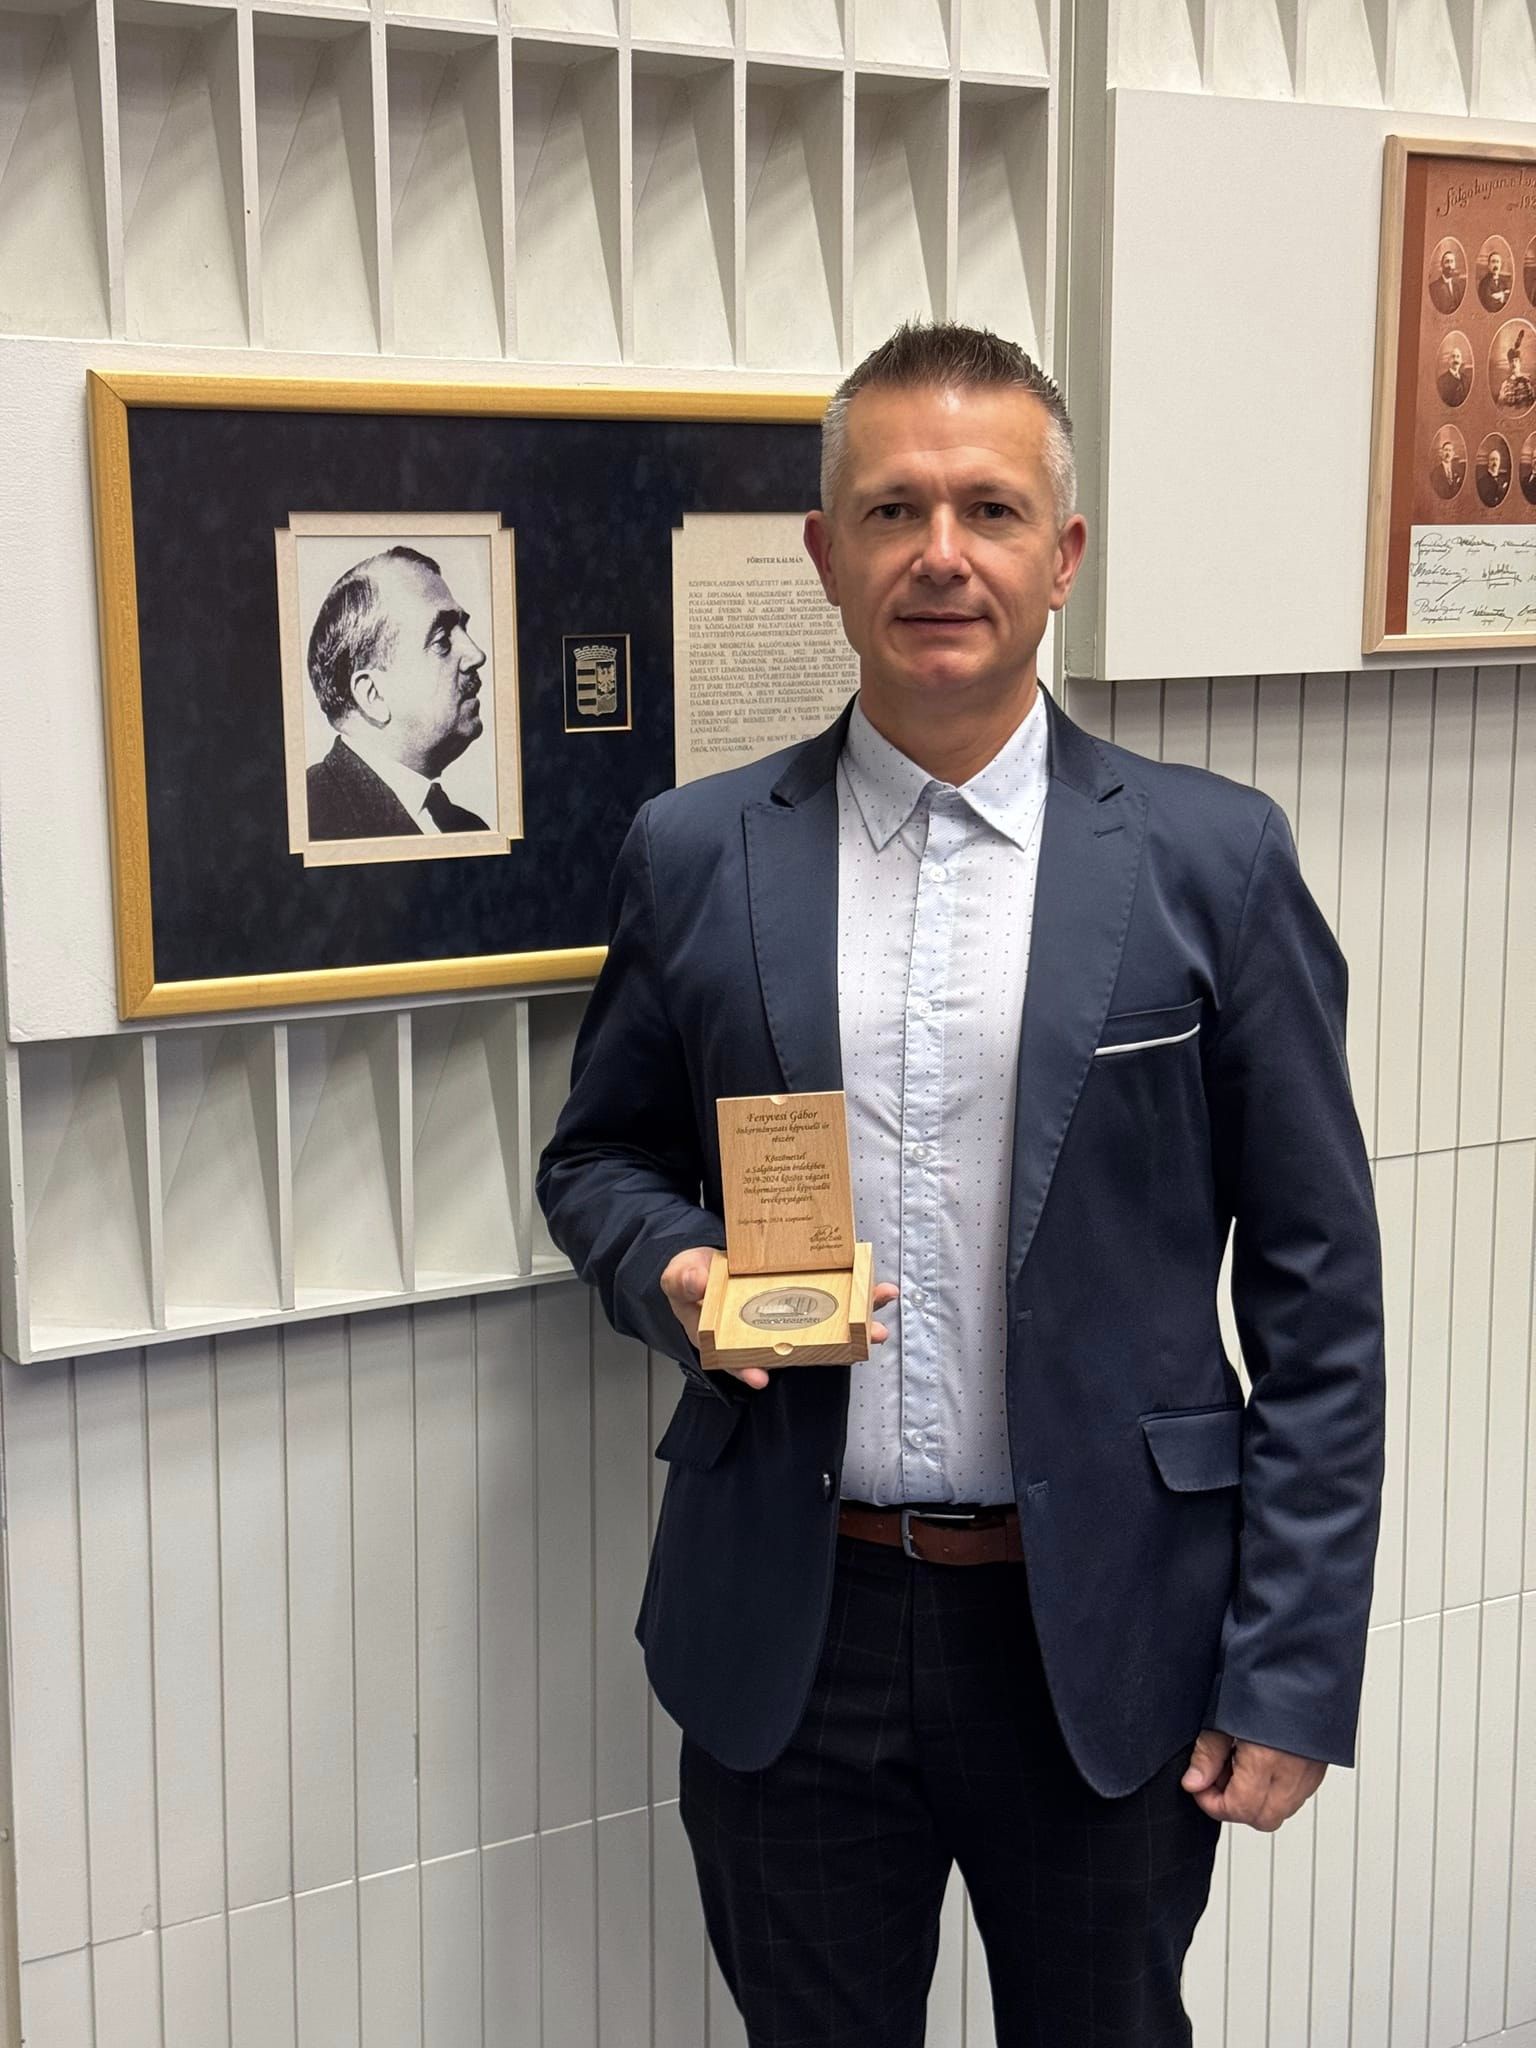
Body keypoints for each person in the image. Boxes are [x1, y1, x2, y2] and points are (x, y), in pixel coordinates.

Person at [538, 323, 1386, 2048]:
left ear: (1061, 555)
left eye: (989, 509)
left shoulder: (1212, 859)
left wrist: (1292, 1663)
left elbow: (1320, 1295)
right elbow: (599, 1158)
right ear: (825, 552)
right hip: (796, 1621)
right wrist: (679, 1272)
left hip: (1106, 1632)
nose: (941, 553)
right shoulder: (695, 853)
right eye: (894, 509)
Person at [304, 545, 489, 839]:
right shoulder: (311, 821)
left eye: (463, 629)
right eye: (442, 640)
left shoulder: (469, 827)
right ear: (373, 695)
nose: (477, 655)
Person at [1496, 330, 1534, 411]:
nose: (1514, 364)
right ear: (1509, 364)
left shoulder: (1528, 382)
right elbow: (1499, 407)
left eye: (1516, 361)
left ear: (1520, 363)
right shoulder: (1505, 384)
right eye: (1511, 361)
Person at [1429, 245, 1465, 312]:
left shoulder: (1457, 287)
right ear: (1441, 265)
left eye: (1452, 261)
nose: (1450, 266)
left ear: (1455, 264)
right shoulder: (1433, 287)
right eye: (1447, 262)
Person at [1431, 434, 1466, 498]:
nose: (1448, 453)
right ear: (1441, 453)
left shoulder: (1458, 471)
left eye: (1450, 450)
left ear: (1453, 454)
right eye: (1446, 450)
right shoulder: (1436, 472)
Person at [1478, 439, 1511, 505]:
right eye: (1492, 459)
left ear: (1499, 462)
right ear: (1488, 462)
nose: (1495, 462)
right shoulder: (1482, 481)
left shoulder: (1504, 481)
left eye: (1497, 460)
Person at [1479, 247, 1513, 312]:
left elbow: (1510, 299)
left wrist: (1500, 295)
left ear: (1500, 265)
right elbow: (1489, 303)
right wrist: (1503, 294)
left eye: (1498, 262)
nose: (1496, 265)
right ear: (1489, 265)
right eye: (1493, 262)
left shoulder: (1504, 282)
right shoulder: (1484, 283)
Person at [1437, 341, 1471, 405]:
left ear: (1461, 360)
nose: (1455, 360)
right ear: (1449, 360)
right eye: (1453, 356)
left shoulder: (1466, 379)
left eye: (1458, 357)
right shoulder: (1442, 380)